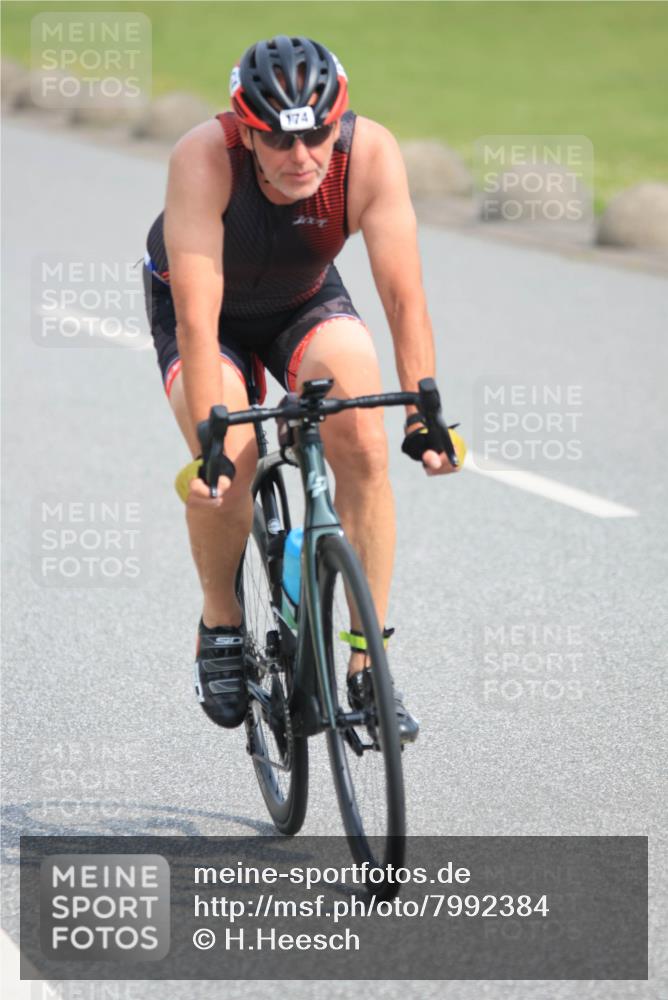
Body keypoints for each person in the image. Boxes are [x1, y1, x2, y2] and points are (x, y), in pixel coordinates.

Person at [143, 35, 459, 744]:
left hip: (301, 297)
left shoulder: (369, 154)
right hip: (207, 316)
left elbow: (404, 298)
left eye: (316, 134)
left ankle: (367, 663)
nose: (302, 157)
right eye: (280, 140)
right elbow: (197, 317)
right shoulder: (203, 157)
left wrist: (424, 410)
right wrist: (212, 438)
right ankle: (221, 622)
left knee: (366, 445)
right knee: (231, 463)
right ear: (247, 131)